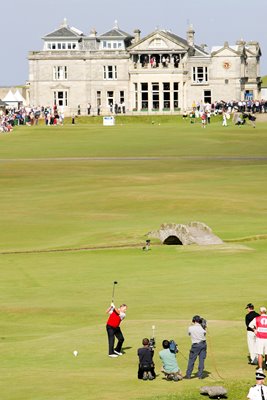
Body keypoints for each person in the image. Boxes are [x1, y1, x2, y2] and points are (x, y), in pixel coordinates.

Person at [185, 315, 207, 379]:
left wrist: (192, 325)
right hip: (203, 344)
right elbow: (204, 333)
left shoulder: (190, 328)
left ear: (193, 320)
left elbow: (189, 334)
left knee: (191, 360)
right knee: (201, 360)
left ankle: (188, 375)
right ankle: (200, 375)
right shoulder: (202, 328)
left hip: (195, 345)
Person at [249, 306, 267, 372]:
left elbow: (250, 325)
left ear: (260, 312)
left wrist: (254, 330)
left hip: (260, 338)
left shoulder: (257, 318)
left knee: (260, 353)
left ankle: (260, 368)